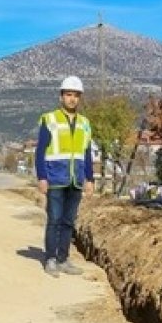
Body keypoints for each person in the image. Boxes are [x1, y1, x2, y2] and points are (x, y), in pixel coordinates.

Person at [35, 75, 94, 277]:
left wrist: (90, 179)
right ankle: (51, 259)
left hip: (75, 179)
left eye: (76, 95)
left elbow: (87, 153)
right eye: (68, 94)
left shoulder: (85, 123)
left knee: (69, 221)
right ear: (61, 97)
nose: (72, 99)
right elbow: (40, 151)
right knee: (55, 219)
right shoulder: (49, 119)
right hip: (55, 178)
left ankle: (63, 258)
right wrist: (42, 177)